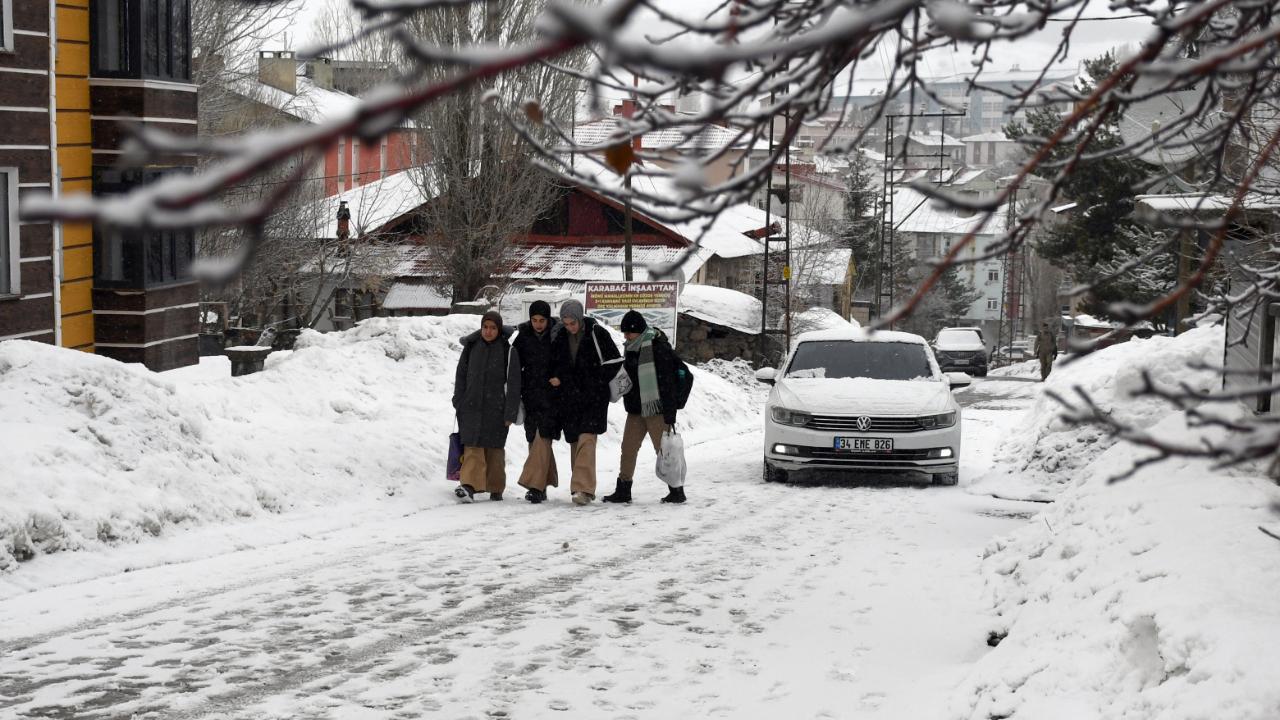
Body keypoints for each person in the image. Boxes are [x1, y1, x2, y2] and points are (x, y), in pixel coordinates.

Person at [603, 310, 685, 504]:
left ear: (638, 331)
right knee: (628, 448)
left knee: (664, 451)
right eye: (624, 333)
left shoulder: (658, 348)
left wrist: (670, 412)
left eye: (628, 333)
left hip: (656, 409)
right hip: (636, 409)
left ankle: (676, 490)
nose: (625, 336)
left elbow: (667, 382)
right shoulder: (630, 348)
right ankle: (623, 489)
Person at [547, 299, 619, 506]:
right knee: (575, 443)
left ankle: (583, 489)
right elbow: (555, 362)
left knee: (587, 440)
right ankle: (579, 487)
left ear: (580, 318)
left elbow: (614, 361)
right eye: (566, 323)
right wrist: (557, 376)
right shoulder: (560, 335)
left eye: (573, 323)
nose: (570, 328)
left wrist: (594, 380)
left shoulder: (597, 333)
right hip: (569, 398)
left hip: (593, 398)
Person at [452, 310, 522, 502]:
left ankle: (495, 487)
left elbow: (514, 384)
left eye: (493, 328)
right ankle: (468, 486)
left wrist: (510, 412)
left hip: (497, 408)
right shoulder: (471, 347)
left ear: (499, 330)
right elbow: (461, 375)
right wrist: (459, 400)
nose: (488, 331)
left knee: (494, 451)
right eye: (485, 327)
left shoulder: (508, 351)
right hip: (471, 406)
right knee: (472, 447)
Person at [513, 301, 561, 504]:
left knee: (544, 437)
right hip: (531, 395)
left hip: (552, 396)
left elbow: (564, 361)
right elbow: (514, 365)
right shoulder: (523, 337)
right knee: (534, 440)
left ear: (548, 319)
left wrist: (558, 377)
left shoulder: (557, 335)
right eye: (534, 320)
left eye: (542, 320)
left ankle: (535, 485)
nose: (538, 324)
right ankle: (543, 484)